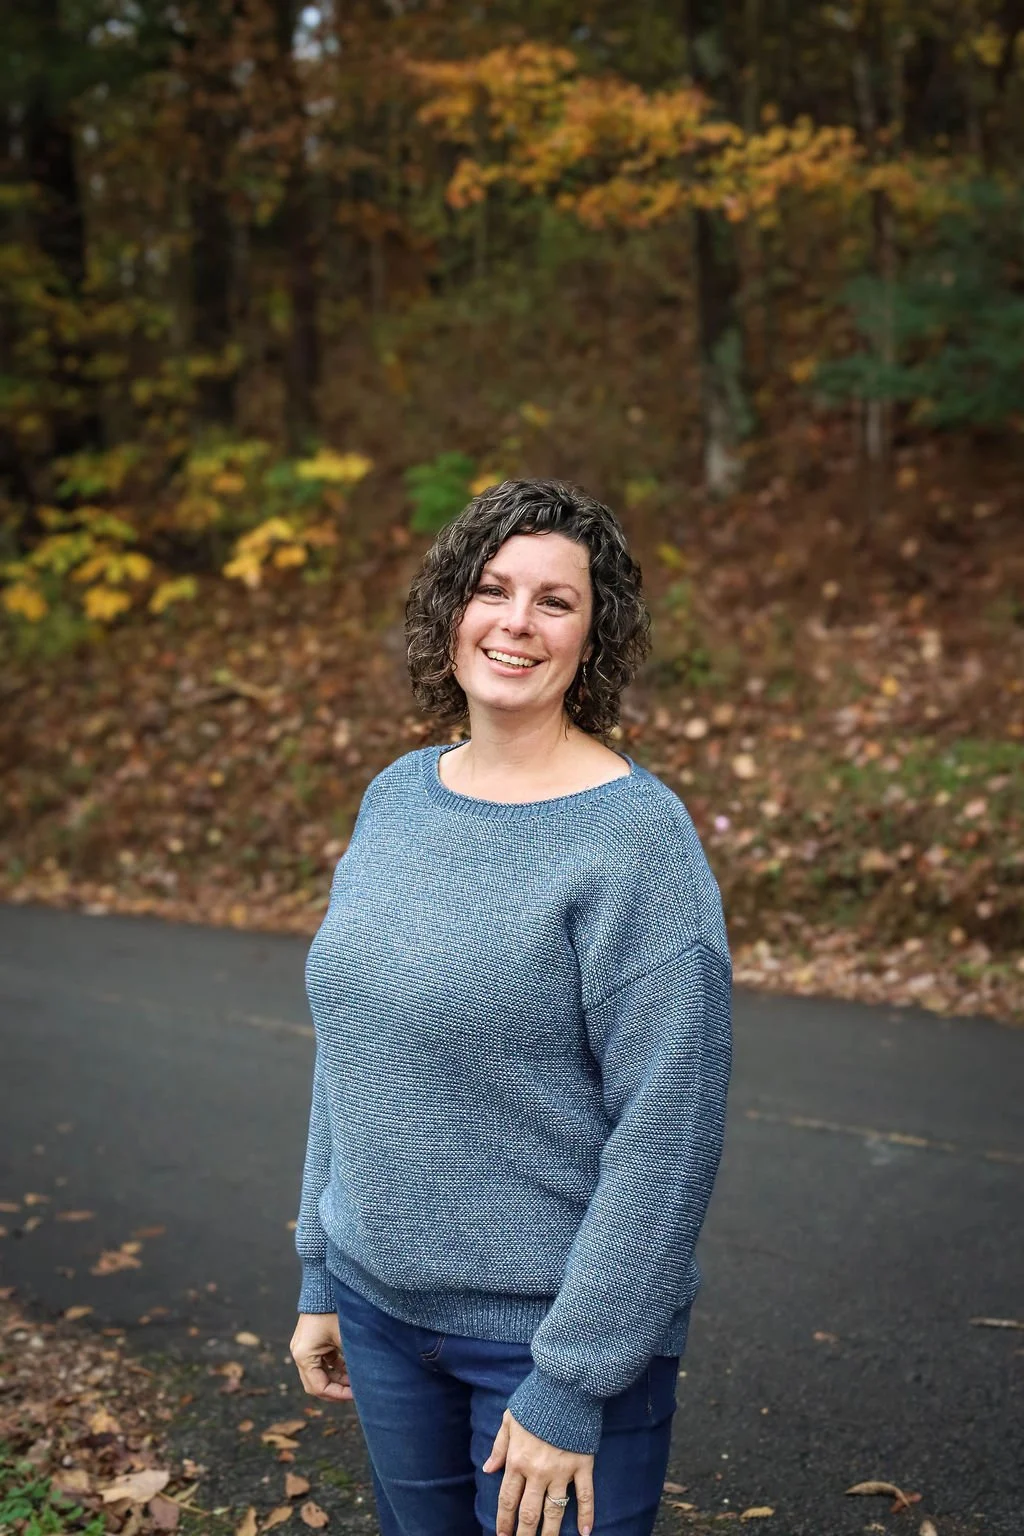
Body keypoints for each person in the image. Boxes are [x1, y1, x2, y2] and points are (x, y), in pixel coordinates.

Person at [289, 478, 732, 1536]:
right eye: (491, 590)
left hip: (549, 1341)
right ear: (451, 609)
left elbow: (668, 1135)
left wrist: (571, 1382)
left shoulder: (637, 846)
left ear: (596, 633)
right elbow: (354, 1044)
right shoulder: (397, 795)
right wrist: (319, 1263)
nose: (515, 623)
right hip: (379, 1313)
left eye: (554, 600)